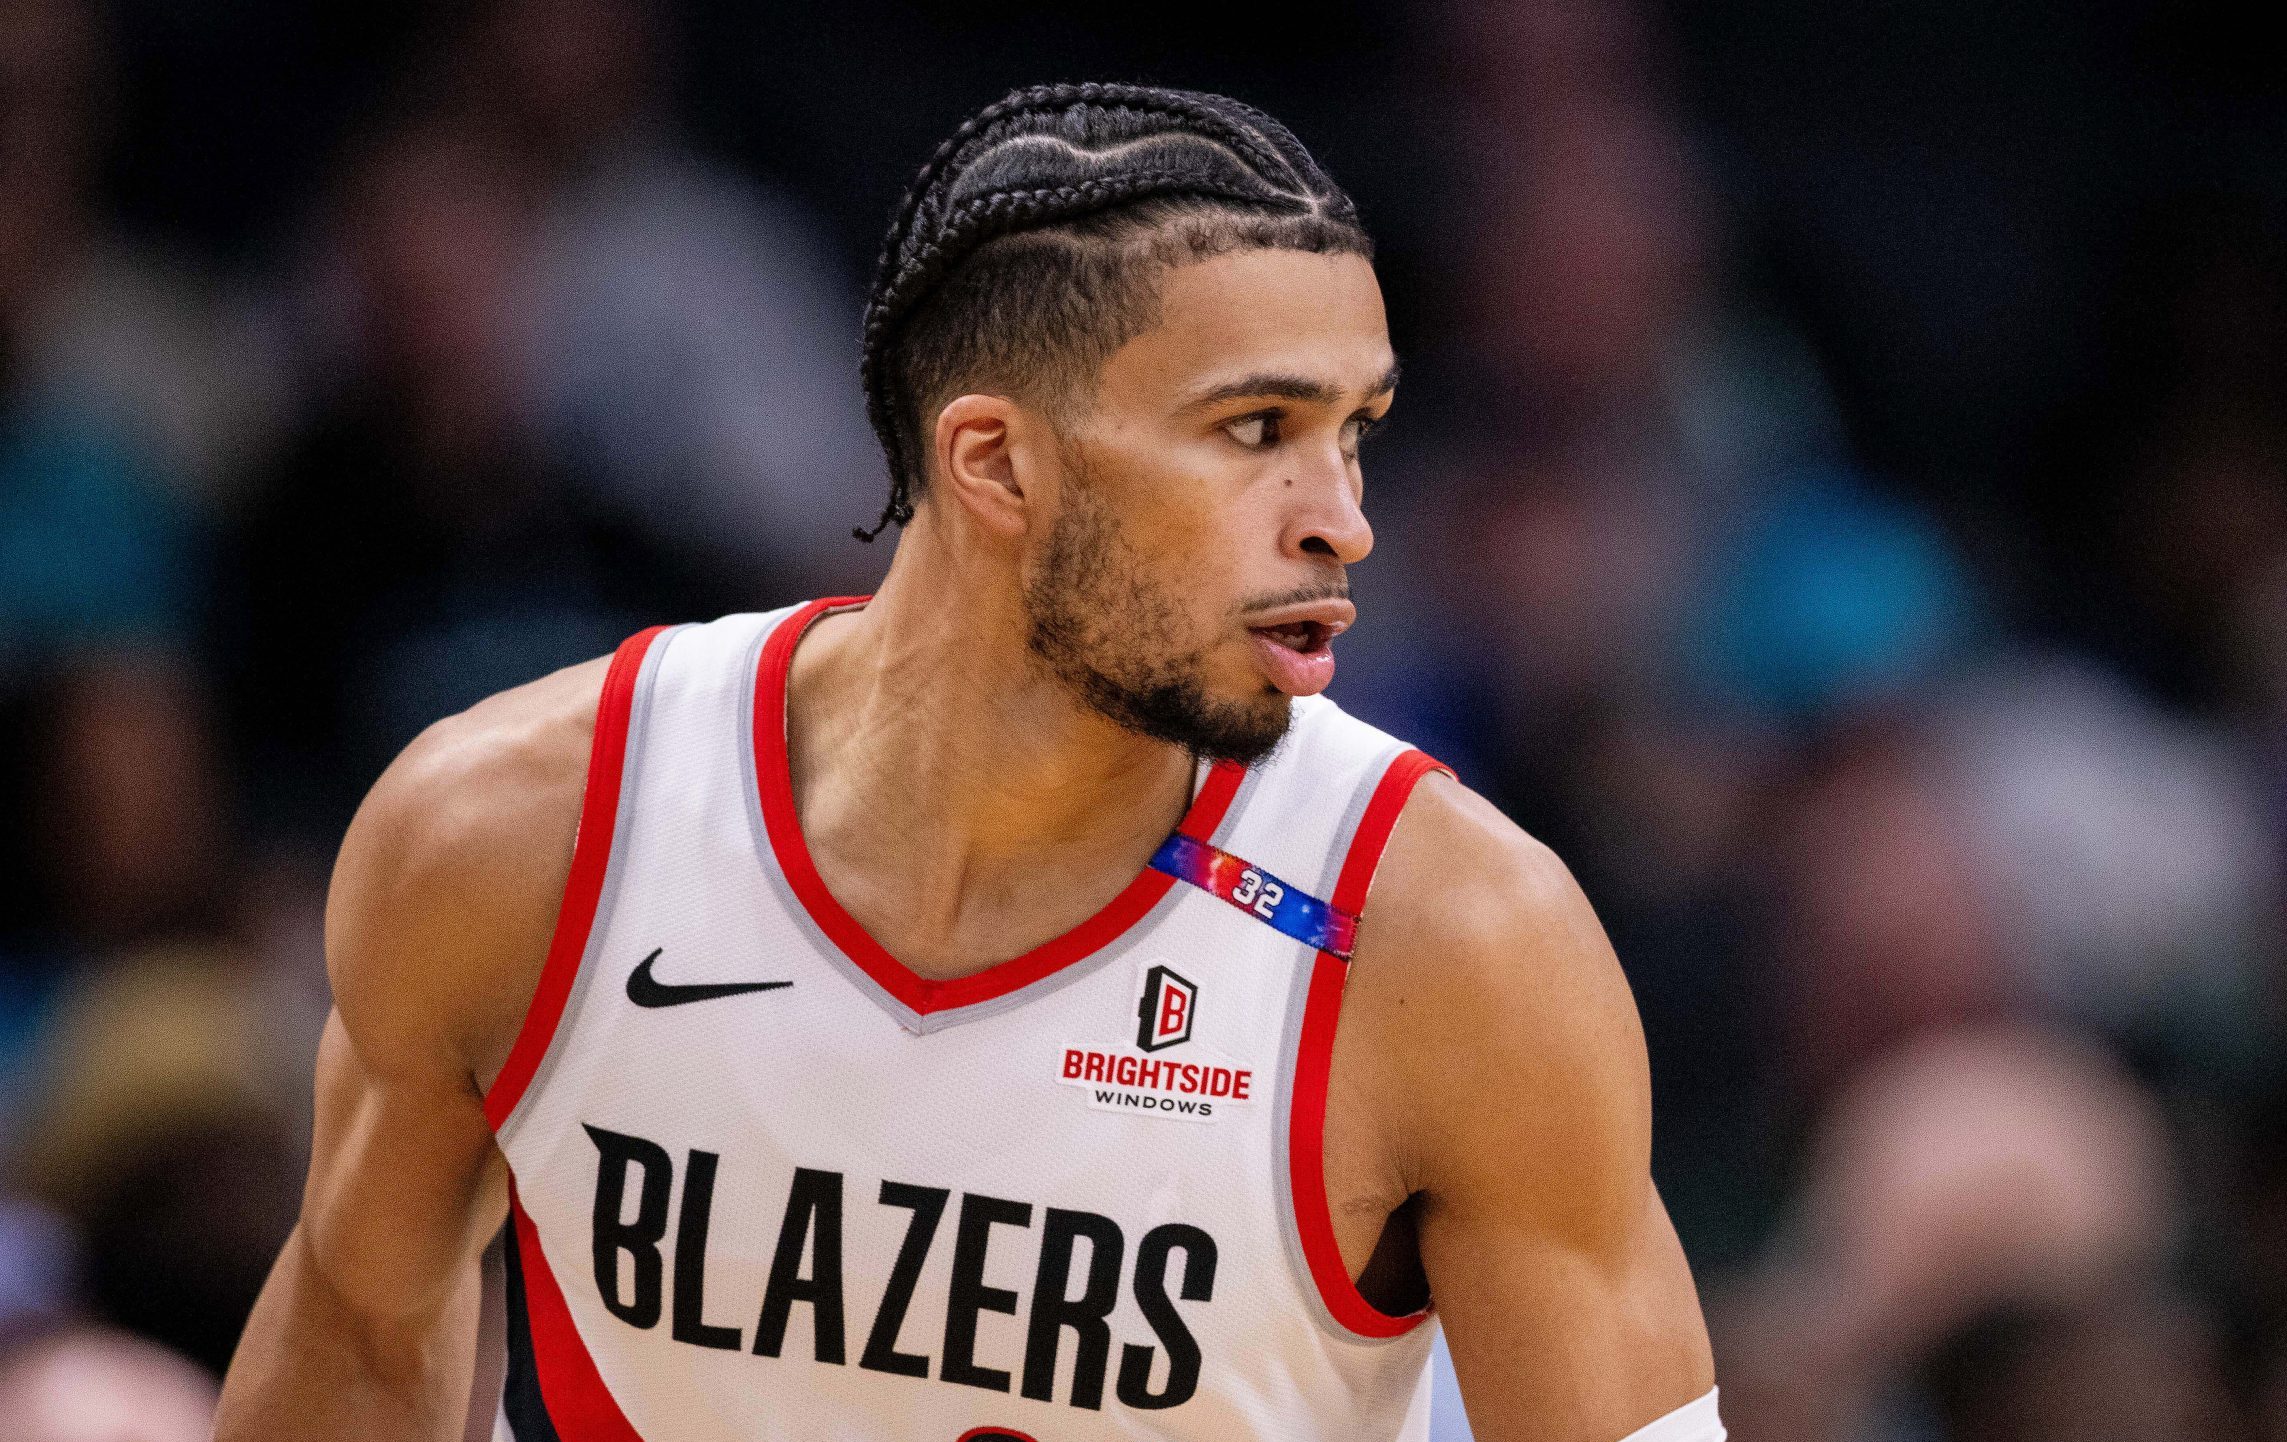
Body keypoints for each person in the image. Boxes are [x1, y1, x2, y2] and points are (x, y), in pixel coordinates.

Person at [211, 84, 1719, 1441]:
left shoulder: (1451, 942)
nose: (1340, 518)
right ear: (993, 460)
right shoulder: (521, 838)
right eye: (1257, 428)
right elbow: (355, 1352)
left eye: (1355, 433)